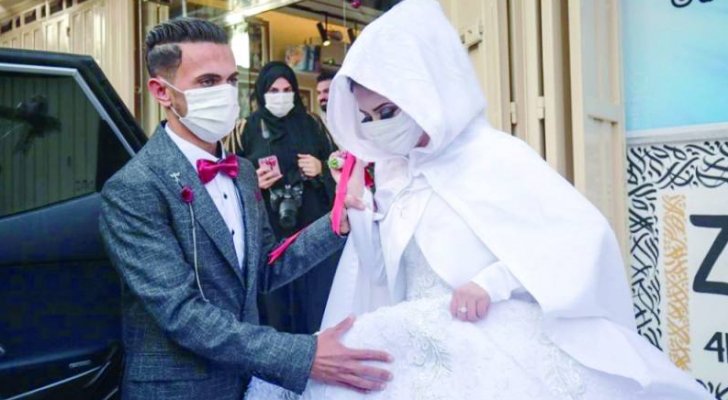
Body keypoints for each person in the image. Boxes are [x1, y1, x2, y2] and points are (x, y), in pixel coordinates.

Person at [244, 1, 714, 399]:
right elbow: (382, 276)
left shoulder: (496, 157)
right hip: (424, 352)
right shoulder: (389, 174)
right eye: (368, 118)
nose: (379, 127)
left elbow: (572, 241)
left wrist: (491, 284)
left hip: (499, 342)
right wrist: (359, 212)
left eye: (388, 111)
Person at [99, 18, 391, 400]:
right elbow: (181, 313)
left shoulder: (243, 173)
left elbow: (264, 268)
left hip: (245, 385)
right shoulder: (134, 187)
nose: (225, 93)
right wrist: (305, 355)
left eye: (231, 80)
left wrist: (340, 220)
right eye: (208, 82)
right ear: (161, 91)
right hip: (179, 390)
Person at [238, 62, 340, 334]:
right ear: (262, 92)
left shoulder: (313, 124)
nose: (281, 96)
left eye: (287, 90)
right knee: (274, 305)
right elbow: (229, 178)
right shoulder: (245, 129)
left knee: (317, 300)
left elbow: (340, 166)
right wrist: (252, 182)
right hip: (269, 230)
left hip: (312, 226)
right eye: (273, 90)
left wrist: (321, 168)